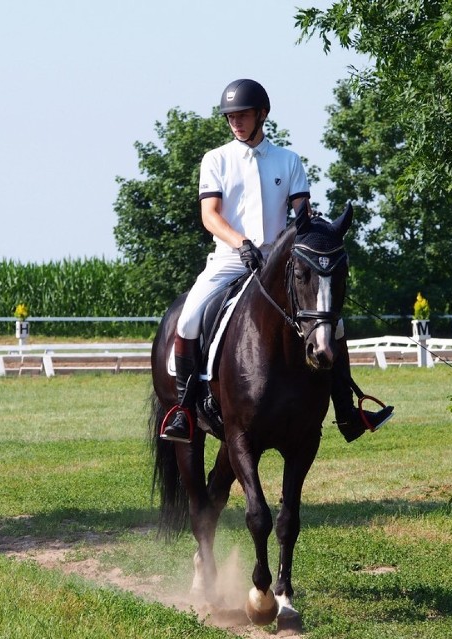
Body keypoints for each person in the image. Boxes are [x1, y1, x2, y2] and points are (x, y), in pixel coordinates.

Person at [160, 78, 394, 443]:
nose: (235, 121)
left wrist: (318, 238)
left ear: (261, 114)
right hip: (230, 258)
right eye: (230, 116)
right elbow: (210, 215)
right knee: (188, 318)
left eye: (242, 115)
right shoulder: (216, 159)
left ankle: (347, 411)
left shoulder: (288, 160)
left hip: (277, 263)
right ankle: (183, 411)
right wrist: (241, 243)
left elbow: (302, 214)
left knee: (335, 324)